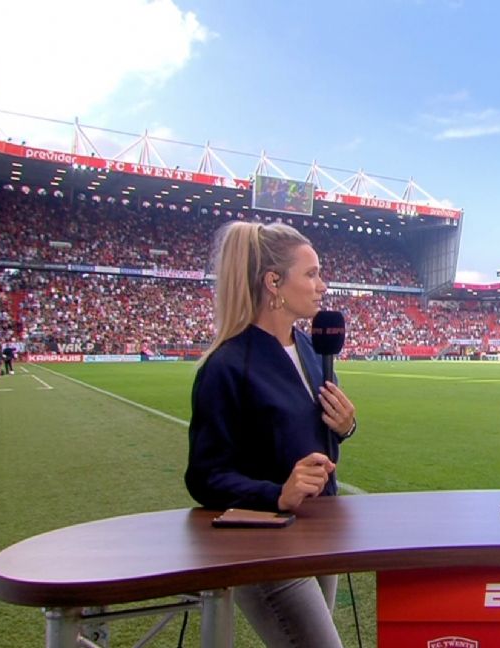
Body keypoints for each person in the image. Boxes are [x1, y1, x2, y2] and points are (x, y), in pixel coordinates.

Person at [185, 221, 358, 648]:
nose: (322, 285)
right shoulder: (227, 366)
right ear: (273, 283)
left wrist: (345, 426)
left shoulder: (311, 350)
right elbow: (204, 477)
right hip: (265, 543)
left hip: (319, 529)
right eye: (311, 273)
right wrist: (278, 494)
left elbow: (306, 436)